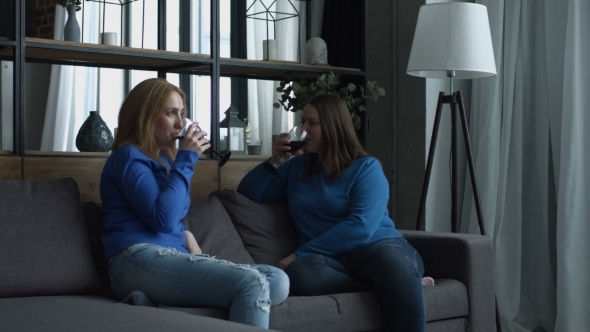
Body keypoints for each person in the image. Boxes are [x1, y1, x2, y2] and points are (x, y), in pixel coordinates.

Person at [100, 78, 289, 329]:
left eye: (182, 113)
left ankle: (151, 306)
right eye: (170, 113)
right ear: (144, 116)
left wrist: (185, 231)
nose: (180, 123)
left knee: (277, 279)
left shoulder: (165, 163)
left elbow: (169, 214)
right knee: (252, 283)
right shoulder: (128, 157)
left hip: (166, 258)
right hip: (134, 260)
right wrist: (187, 159)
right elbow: (163, 218)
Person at [236, 94, 426, 331]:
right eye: (303, 122)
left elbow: (361, 226)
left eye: (312, 123)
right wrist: (274, 160)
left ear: (333, 126)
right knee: (301, 273)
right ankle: (389, 286)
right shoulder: (296, 168)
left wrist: (298, 253)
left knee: (394, 266)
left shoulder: (366, 168)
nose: (304, 129)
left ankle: (398, 281)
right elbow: (248, 194)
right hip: (330, 261)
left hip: (377, 247)